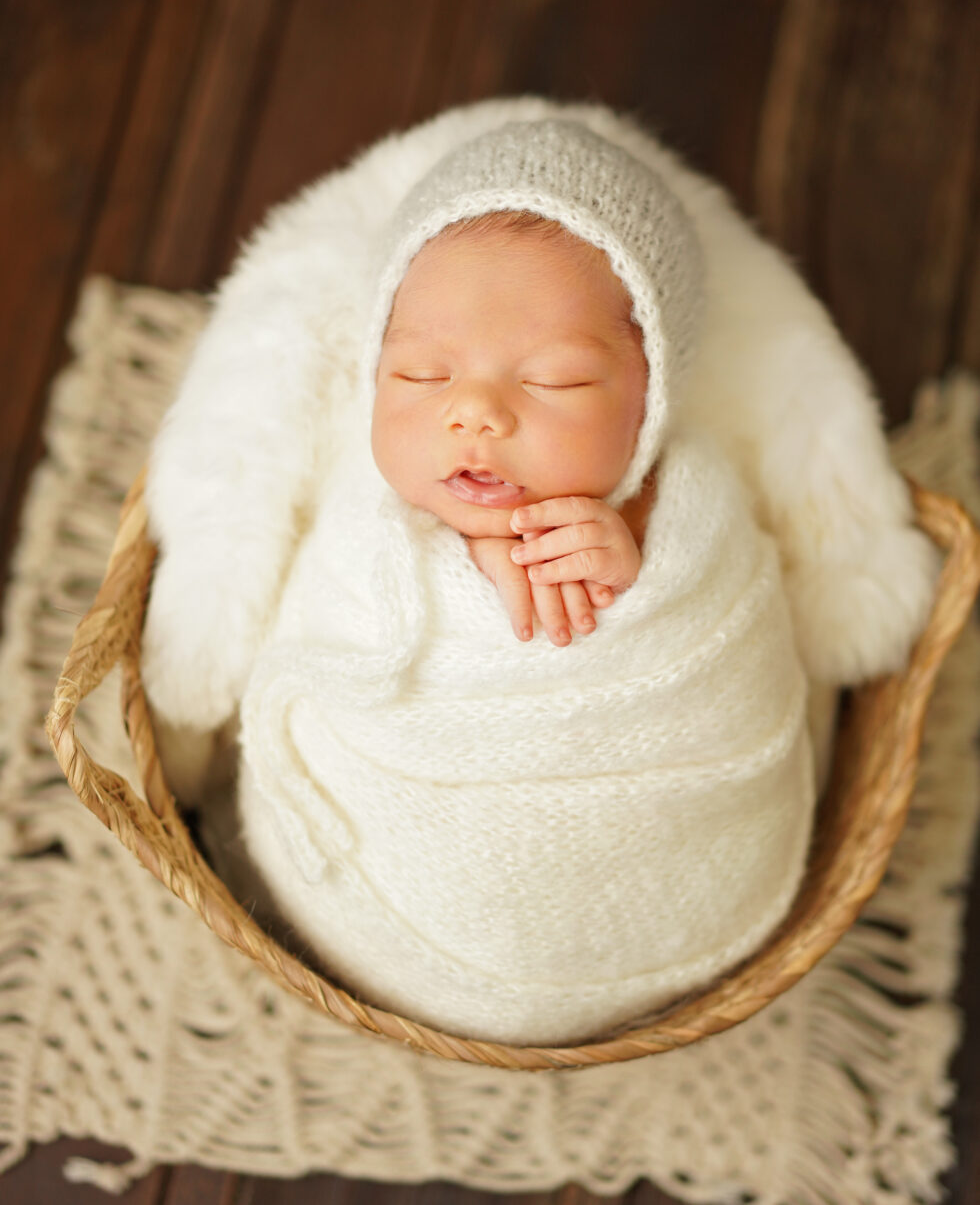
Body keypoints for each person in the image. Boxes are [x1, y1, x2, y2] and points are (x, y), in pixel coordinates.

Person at [142, 102, 939, 1045]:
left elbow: (733, 636)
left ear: (651, 403)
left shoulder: (686, 501)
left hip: (658, 871)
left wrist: (643, 581)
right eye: (421, 376)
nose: (473, 411)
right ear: (371, 372)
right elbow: (309, 627)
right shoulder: (358, 503)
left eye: (553, 381)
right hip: (391, 868)